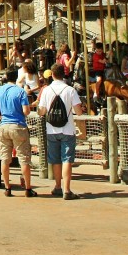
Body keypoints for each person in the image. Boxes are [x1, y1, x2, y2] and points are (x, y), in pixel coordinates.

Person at [0, 68, 35, 197]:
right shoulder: (20, 92)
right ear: (16, 77)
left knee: (5, 158)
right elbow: (26, 111)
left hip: (4, 125)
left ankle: (7, 187)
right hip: (18, 125)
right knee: (24, 158)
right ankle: (28, 188)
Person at [37, 64, 83, 199]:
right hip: (67, 129)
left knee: (55, 159)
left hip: (51, 129)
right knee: (67, 159)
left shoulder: (46, 90)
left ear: (52, 74)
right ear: (64, 74)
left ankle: (58, 186)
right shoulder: (70, 90)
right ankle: (67, 190)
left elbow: (42, 111)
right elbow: (78, 112)